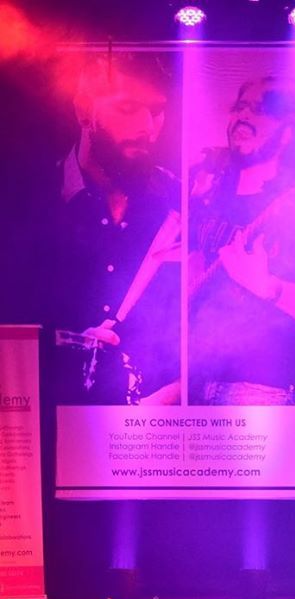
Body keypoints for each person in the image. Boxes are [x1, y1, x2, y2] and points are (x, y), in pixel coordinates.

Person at [52, 52, 181, 405]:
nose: (147, 127)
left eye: (156, 111)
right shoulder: (32, 198)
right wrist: (71, 346)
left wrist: (176, 392)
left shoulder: (181, 201)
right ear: (84, 110)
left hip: (153, 421)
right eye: (128, 108)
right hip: (56, 419)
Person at [187, 75, 295, 405]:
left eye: (261, 110)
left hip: (259, 388)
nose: (244, 116)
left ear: (291, 130)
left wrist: (268, 286)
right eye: (240, 107)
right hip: (195, 380)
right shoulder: (209, 195)